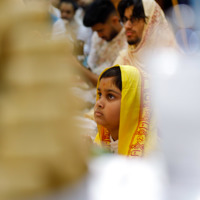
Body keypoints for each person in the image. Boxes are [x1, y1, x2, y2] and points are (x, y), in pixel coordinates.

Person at [94, 65, 157, 156]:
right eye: (100, 94)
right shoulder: (101, 141)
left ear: (131, 103)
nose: (99, 103)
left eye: (110, 96)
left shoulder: (149, 154)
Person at [114, 0, 177, 71]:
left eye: (134, 19)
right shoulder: (125, 59)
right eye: (125, 19)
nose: (126, 26)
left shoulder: (170, 59)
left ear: (151, 22)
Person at [82, 0, 127, 76]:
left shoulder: (128, 39)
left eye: (101, 30)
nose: (99, 35)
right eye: (96, 31)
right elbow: (90, 66)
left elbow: (112, 83)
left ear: (115, 20)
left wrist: (78, 68)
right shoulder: (96, 36)